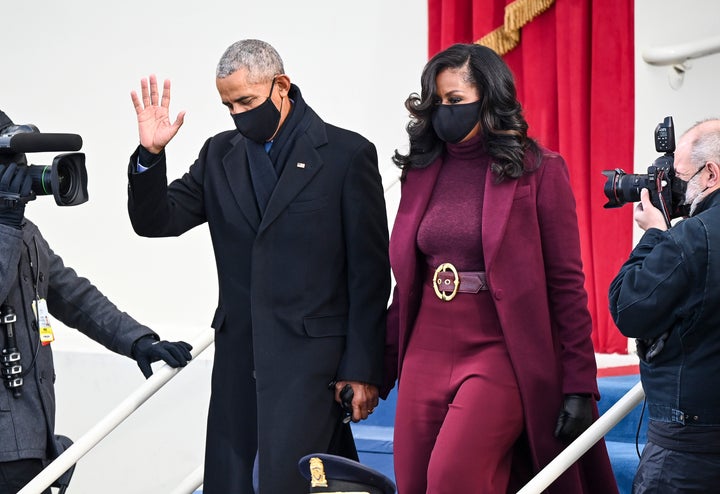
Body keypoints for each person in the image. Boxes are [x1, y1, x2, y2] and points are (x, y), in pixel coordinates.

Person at [126, 39, 390, 493]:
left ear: (281, 87)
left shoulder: (347, 155)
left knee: (295, 482)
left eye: (246, 101)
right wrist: (150, 156)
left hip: (313, 367)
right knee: (230, 483)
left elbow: (369, 275)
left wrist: (362, 369)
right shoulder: (218, 154)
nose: (237, 114)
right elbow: (156, 221)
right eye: (228, 105)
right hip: (239, 358)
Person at [381, 43, 618, 493]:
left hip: (500, 350)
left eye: (455, 101)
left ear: (489, 99)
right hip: (426, 347)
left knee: (453, 479)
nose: (444, 112)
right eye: (437, 102)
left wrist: (580, 383)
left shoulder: (540, 170)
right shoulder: (420, 169)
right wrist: (376, 364)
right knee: (412, 482)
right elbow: (406, 283)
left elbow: (567, 285)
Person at [0, 110, 193, 494]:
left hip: (30, 443)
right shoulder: (10, 227)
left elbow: (73, 294)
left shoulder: (21, 229)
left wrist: (139, 341)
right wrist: (6, 223)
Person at [609, 118, 720, 493]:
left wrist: (655, 234)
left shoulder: (693, 236)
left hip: (689, 449)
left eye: (679, 176)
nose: (673, 188)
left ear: (711, 174)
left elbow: (628, 308)